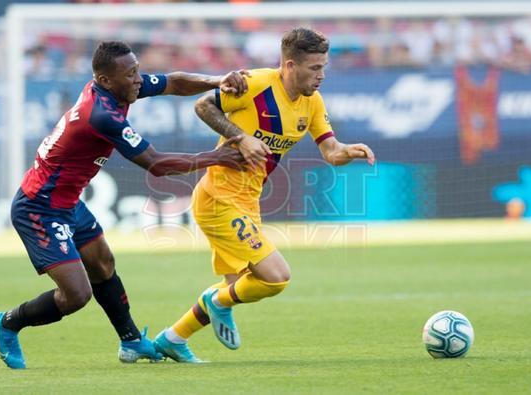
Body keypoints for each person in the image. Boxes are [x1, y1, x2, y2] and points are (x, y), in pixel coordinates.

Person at [0, 41, 249, 369]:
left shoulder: (119, 87)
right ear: (106, 80)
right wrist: (217, 156)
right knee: (76, 296)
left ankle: (132, 341)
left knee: (103, 263)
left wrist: (216, 80)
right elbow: (155, 163)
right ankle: (7, 323)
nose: (139, 79)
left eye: (138, 70)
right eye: (131, 74)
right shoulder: (101, 115)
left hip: (67, 202)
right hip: (39, 207)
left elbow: (174, 81)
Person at [153, 27, 375, 363]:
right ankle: (214, 307)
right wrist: (240, 137)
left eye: (323, 67)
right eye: (315, 68)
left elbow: (330, 151)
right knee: (275, 278)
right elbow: (202, 106)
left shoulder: (312, 102)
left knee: (238, 288)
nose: (321, 75)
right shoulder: (254, 83)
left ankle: (172, 338)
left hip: (246, 201)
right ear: (289, 65)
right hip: (219, 197)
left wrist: (350, 151)